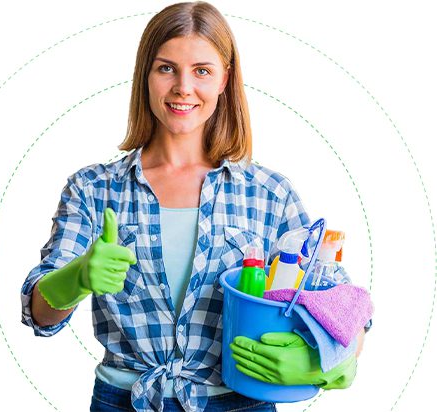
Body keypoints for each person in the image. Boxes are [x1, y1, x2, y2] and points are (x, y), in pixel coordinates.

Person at [21, 2, 364, 411]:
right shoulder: (94, 189)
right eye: (166, 68)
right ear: (145, 76)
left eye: (202, 70)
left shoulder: (269, 194)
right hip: (125, 400)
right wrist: (75, 278)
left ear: (224, 79)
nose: (183, 87)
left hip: (240, 401)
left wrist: (327, 361)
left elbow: (340, 307)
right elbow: (41, 315)